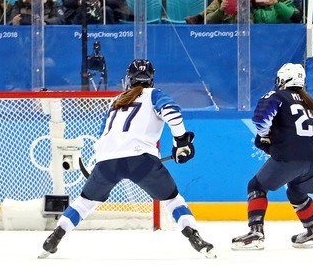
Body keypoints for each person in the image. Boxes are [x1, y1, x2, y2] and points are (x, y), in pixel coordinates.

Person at [41, 59, 215, 259]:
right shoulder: (153, 94)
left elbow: (103, 137)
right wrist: (181, 141)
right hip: (141, 161)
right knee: (173, 201)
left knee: (84, 203)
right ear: (152, 78)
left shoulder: (115, 100)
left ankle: (55, 237)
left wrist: (102, 166)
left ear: (128, 78)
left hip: (106, 162)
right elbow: (172, 112)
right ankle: (194, 236)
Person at [231, 63, 313, 250]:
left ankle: (256, 233)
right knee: (296, 192)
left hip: (292, 156)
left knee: (256, 186)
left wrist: (265, 137)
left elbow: (261, 118)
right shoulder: (312, 104)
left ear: (283, 80)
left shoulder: (277, 96)